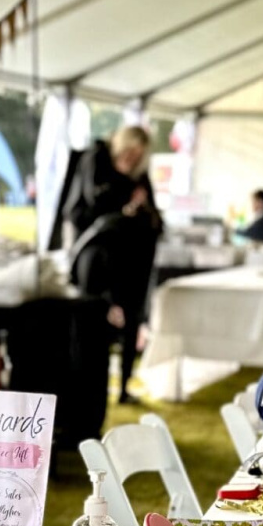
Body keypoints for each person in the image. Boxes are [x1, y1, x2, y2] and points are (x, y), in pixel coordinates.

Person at [62, 124, 162, 404]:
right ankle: (88, 393)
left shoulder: (138, 176)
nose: (131, 159)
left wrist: (140, 210)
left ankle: (123, 387)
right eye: (129, 152)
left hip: (131, 260)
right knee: (94, 325)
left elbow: (153, 215)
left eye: (137, 155)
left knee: (132, 319)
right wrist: (125, 204)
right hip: (98, 259)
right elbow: (91, 204)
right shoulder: (96, 159)